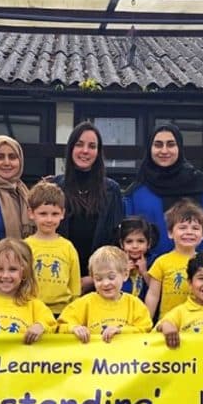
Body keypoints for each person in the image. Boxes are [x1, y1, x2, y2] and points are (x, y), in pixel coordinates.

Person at [124, 123, 203, 264]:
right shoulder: (136, 192)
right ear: (150, 149)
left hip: (193, 274)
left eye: (170, 144)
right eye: (158, 145)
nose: (164, 150)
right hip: (147, 276)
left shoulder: (201, 186)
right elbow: (128, 237)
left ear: (179, 148)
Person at [49, 122, 126, 292]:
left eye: (92, 146)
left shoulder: (111, 190)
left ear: (98, 153)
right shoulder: (55, 187)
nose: (85, 151)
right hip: (58, 281)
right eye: (79, 144)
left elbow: (117, 241)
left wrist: (93, 279)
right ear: (70, 149)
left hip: (100, 284)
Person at [57, 246, 152, 343]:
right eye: (98, 279)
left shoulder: (134, 304)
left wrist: (122, 331)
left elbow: (146, 329)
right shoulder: (85, 303)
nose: (105, 283)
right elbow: (61, 326)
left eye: (111, 277)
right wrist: (74, 328)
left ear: (125, 275)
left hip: (125, 357)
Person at [145, 199, 203, 320]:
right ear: (170, 233)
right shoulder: (161, 261)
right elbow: (153, 295)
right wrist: (146, 325)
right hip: (168, 324)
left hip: (198, 324)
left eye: (195, 228)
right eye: (182, 228)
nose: (189, 232)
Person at [156, 251, 203, 349]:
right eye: (202, 278)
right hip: (189, 363)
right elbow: (162, 325)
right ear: (190, 283)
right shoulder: (180, 312)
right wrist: (167, 326)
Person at [24, 182, 81, 314]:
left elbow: (75, 287)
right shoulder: (25, 246)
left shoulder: (68, 247)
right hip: (32, 311)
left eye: (55, 214)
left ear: (62, 214)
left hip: (62, 312)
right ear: (31, 213)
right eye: (43, 214)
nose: (49, 219)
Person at [0, 135, 34, 240]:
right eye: (0, 157)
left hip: (24, 255)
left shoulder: (25, 192)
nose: (7, 163)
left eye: (12, 157)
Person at [117, 215, 159, 302]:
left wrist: (144, 272)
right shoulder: (115, 262)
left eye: (140, 241)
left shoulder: (156, 262)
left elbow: (157, 292)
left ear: (149, 243)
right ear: (122, 244)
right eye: (129, 241)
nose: (135, 246)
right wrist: (123, 272)